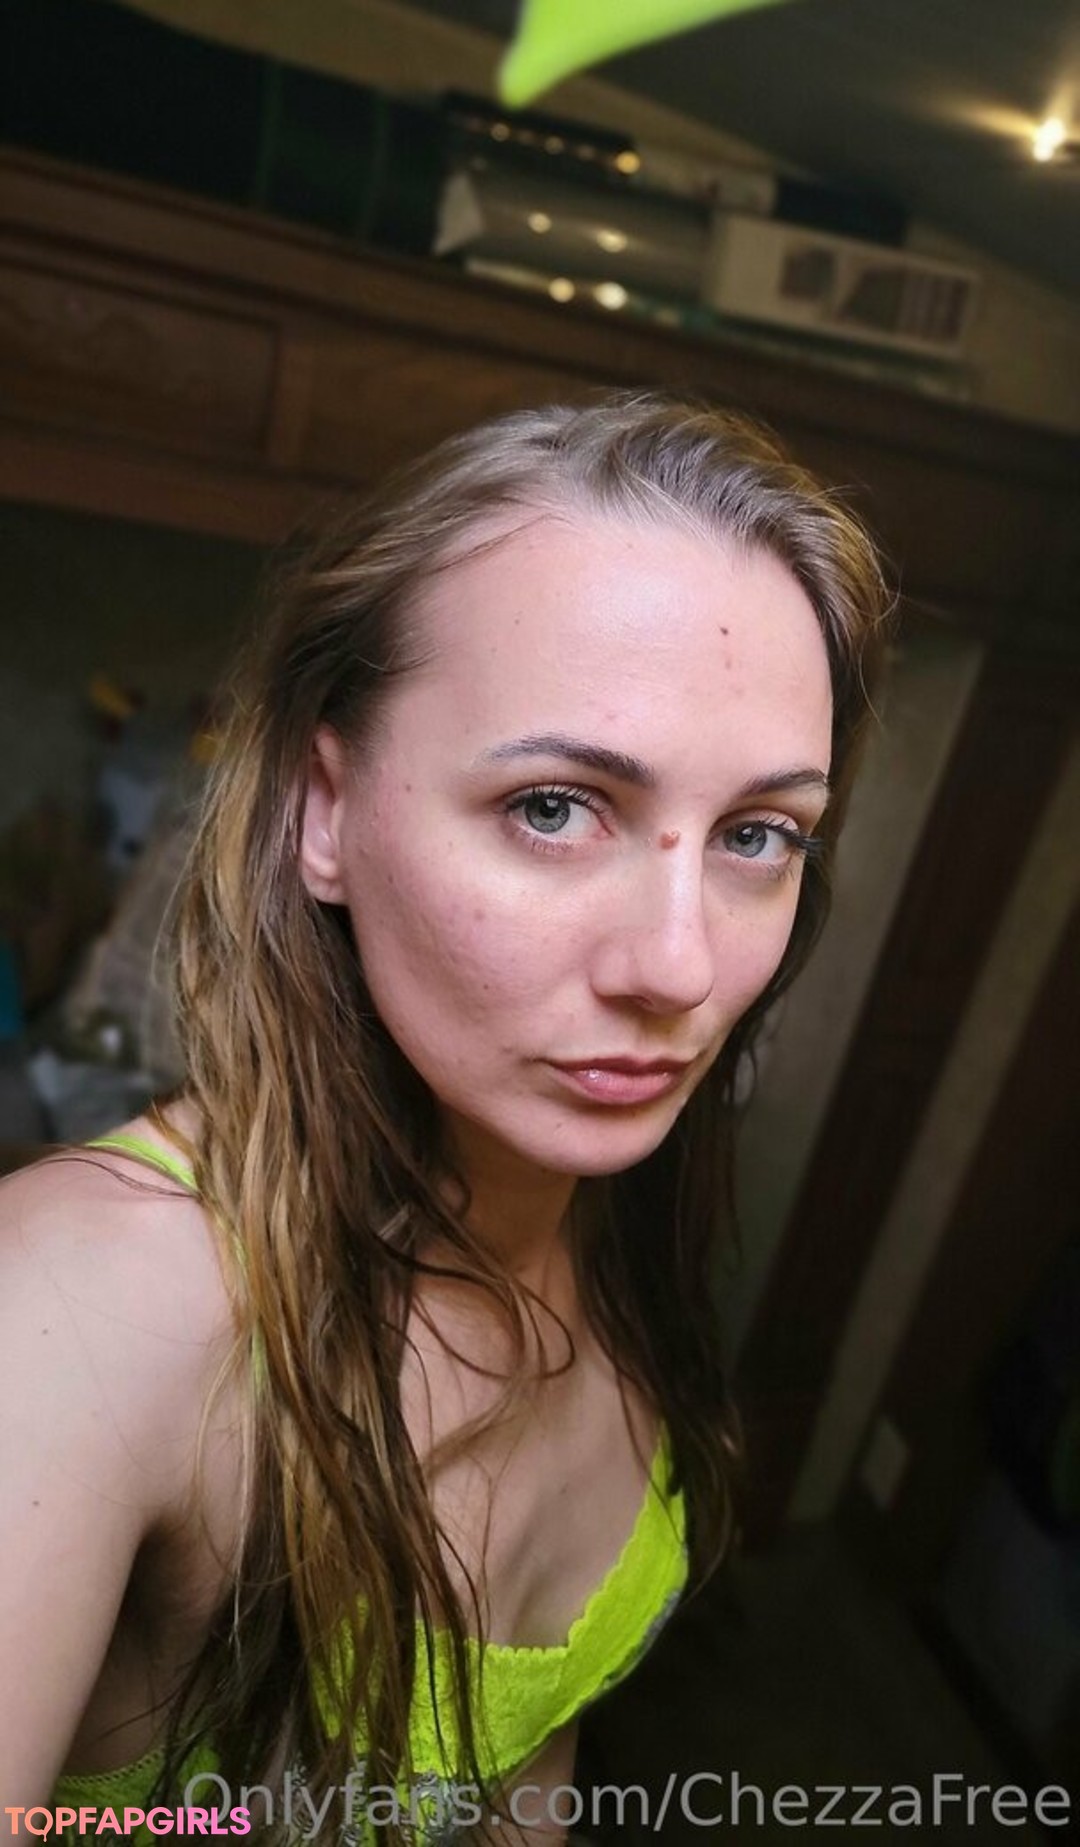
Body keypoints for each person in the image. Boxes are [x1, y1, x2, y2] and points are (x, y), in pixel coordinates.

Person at [0, 394, 888, 1841]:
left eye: (756, 835)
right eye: (553, 808)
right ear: (324, 811)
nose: (679, 967)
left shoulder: (614, 1235)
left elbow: (514, 1776)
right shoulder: (81, 1303)